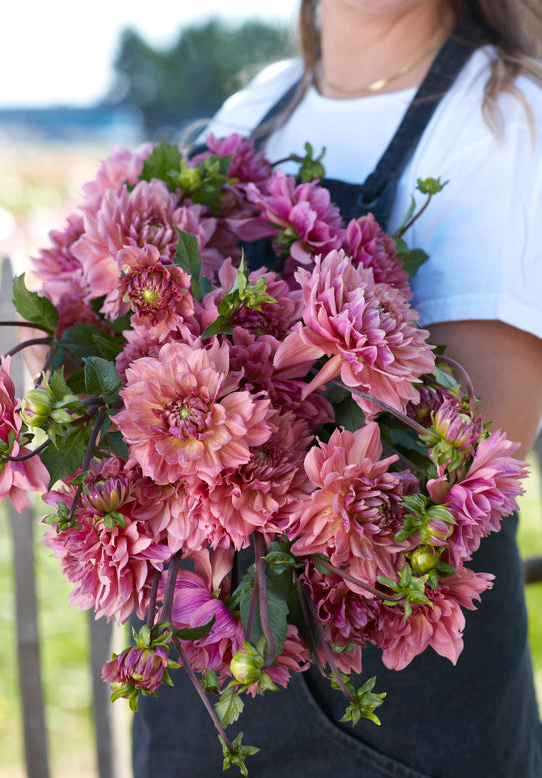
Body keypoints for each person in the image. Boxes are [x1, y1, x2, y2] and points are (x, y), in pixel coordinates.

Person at [132, 1, 542, 775]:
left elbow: (462, 462)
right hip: (198, 698)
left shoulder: (506, 117)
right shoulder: (256, 111)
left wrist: (208, 433)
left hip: (396, 722)